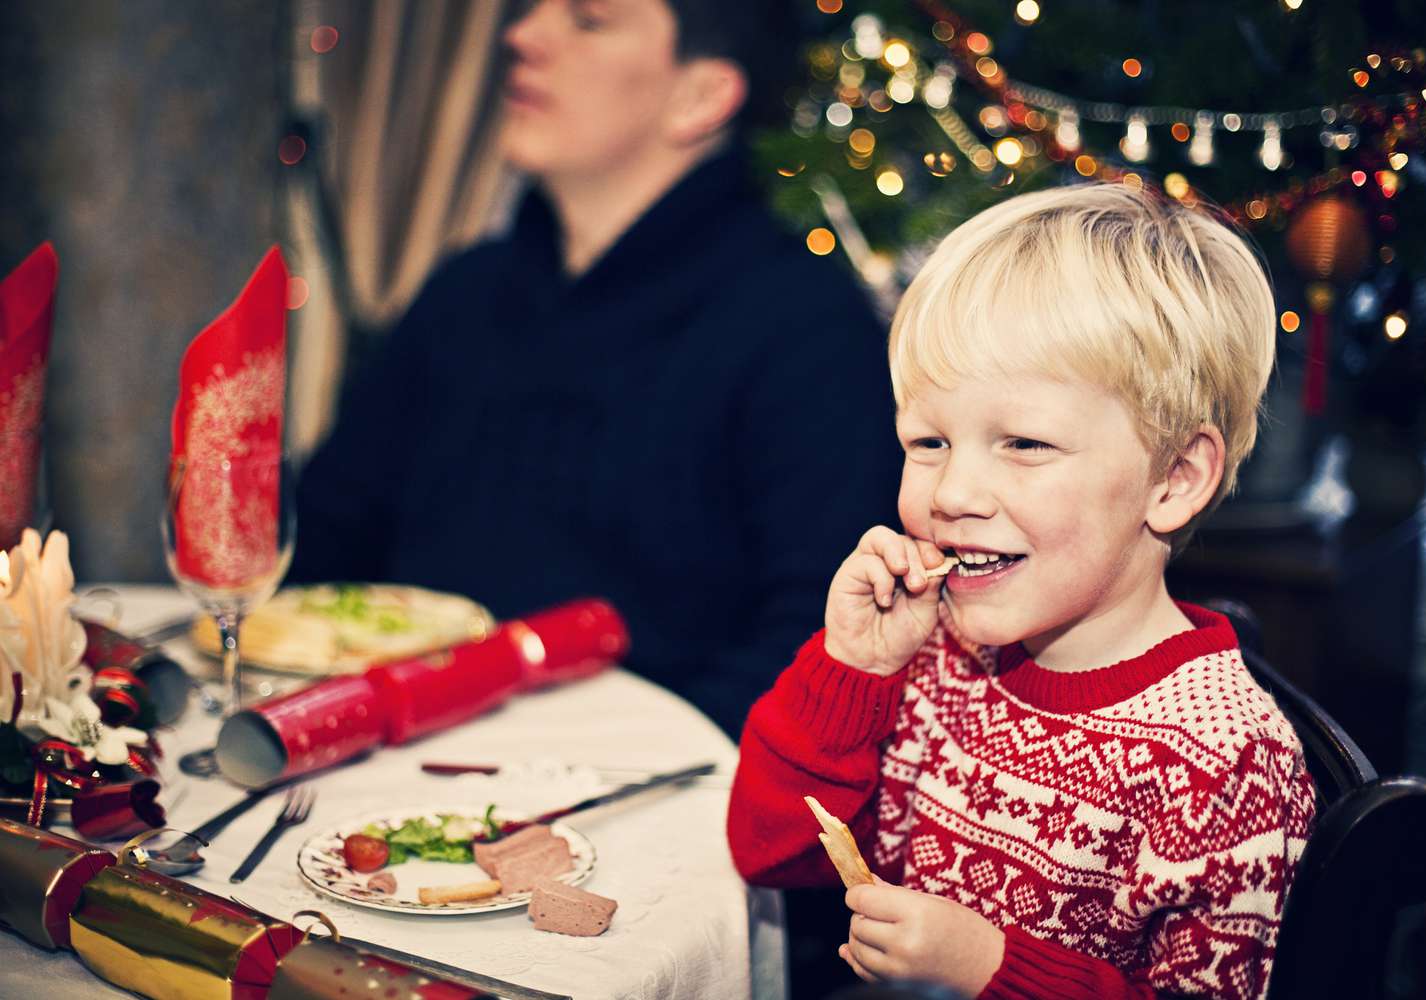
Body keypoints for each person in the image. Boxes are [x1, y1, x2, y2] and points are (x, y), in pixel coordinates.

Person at [727, 183, 1318, 999]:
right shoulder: (935, 653)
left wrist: (990, 968)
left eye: (1026, 443)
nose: (953, 491)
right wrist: (851, 670)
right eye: (928, 440)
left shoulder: (1223, 764)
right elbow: (772, 853)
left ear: (1175, 479)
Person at [291, 0, 899, 736]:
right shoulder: (464, 291)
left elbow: (820, 643)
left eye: (589, 19)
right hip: (383, 762)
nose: (521, 36)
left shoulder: (807, 328)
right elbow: (322, 540)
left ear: (700, 96)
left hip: (635, 808)